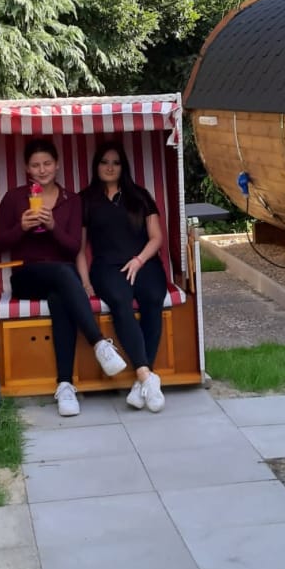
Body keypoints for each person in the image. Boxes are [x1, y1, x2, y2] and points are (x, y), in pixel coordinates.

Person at [0, 138, 126, 417]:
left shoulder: (71, 200)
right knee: (65, 273)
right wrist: (21, 227)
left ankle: (65, 386)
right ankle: (99, 343)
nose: (42, 170)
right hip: (27, 276)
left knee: (60, 297)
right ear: (27, 168)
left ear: (57, 165)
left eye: (47, 164)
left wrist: (52, 226)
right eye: (35, 165)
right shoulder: (15, 198)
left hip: (63, 282)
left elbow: (73, 247)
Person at [78, 141, 168, 413]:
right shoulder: (86, 199)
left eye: (115, 162)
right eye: (104, 162)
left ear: (123, 167)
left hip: (143, 261)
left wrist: (139, 260)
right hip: (107, 267)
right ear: (96, 166)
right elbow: (80, 249)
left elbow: (157, 238)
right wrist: (86, 282)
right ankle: (145, 375)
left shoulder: (139, 195)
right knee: (120, 301)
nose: (110, 167)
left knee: (152, 298)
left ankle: (143, 381)